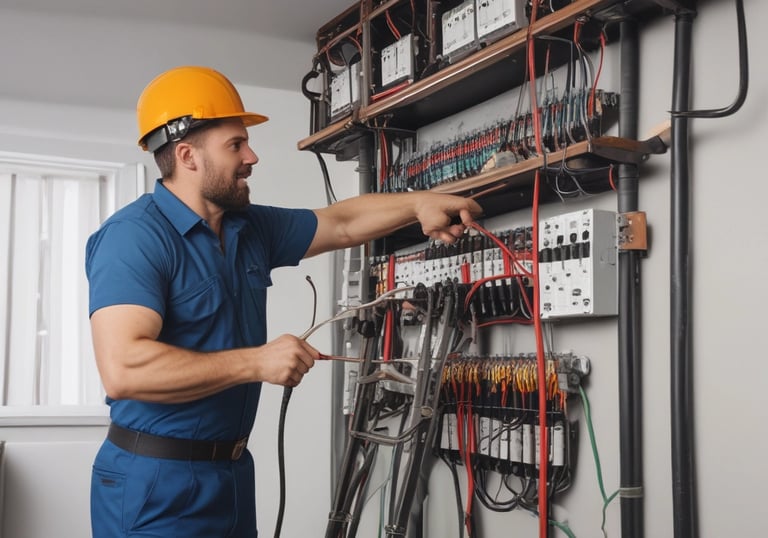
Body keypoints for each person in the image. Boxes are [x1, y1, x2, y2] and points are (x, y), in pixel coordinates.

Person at [85, 65, 482, 537]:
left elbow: (341, 223)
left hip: (230, 474)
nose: (252, 156)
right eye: (235, 144)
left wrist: (418, 205)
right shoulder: (133, 238)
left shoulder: (246, 227)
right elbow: (124, 368)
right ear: (188, 155)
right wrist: (257, 362)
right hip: (154, 482)